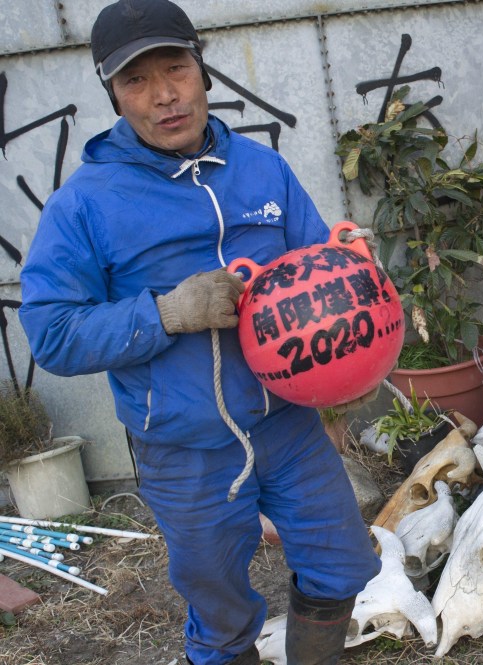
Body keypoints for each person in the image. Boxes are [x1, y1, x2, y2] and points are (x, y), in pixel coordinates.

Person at [18, 1, 381, 663]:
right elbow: (52, 333)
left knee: (342, 564)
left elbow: (315, 272)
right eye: (136, 81)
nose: (163, 95)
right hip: (183, 449)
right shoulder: (85, 205)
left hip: (287, 427)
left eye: (176, 69)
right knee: (220, 615)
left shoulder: (261, 169)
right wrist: (165, 314)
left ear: (202, 69)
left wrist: (351, 290)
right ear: (114, 94)